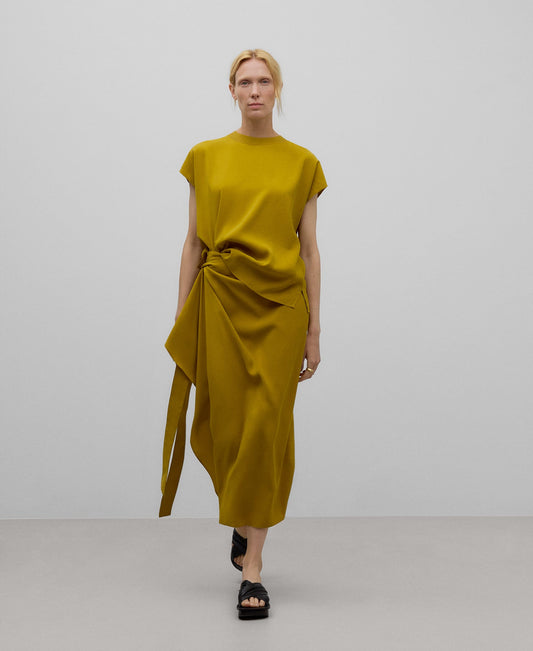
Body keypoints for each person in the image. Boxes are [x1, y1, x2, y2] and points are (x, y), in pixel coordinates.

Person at [158, 48, 327, 619]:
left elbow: (309, 250)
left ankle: (252, 570)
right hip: (221, 303)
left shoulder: (302, 163)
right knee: (229, 425)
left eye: (264, 81)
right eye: (244, 81)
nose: (255, 90)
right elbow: (193, 242)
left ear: (277, 89)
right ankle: (242, 513)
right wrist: (182, 315)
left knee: (265, 430)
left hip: (281, 310)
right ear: (231, 90)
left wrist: (315, 329)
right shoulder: (205, 157)